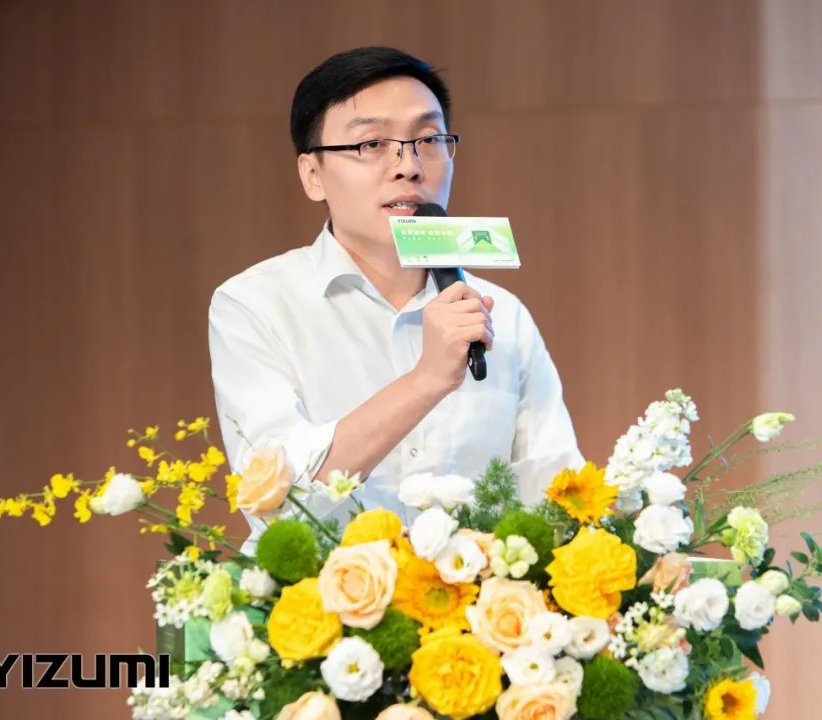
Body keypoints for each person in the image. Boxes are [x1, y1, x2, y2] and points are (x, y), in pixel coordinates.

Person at [208, 46, 583, 553]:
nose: (408, 165)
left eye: (428, 140)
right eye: (372, 144)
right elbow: (276, 504)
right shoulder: (254, 305)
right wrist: (426, 381)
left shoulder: (502, 313)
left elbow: (557, 496)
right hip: (320, 599)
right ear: (313, 175)